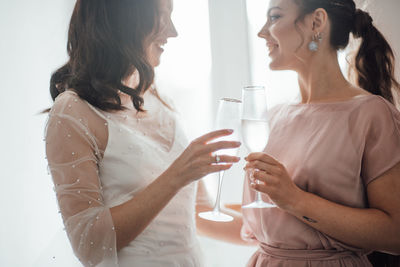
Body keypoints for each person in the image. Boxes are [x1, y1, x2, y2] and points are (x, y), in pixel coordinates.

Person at [44, 0, 244, 266]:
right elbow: (88, 244)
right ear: (124, 19)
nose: (173, 31)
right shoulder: (72, 111)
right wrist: (178, 175)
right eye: (162, 16)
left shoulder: (160, 101)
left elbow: (200, 212)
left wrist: (288, 230)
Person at [240, 0, 400, 266]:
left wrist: (295, 199)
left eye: (275, 17)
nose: (262, 32)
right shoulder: (274, 116)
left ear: (316, 23)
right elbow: (270, 229)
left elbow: (395, 234)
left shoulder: (372, 114)